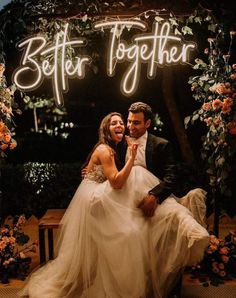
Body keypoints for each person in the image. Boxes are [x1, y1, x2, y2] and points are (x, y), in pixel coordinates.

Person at [19, 110, 209, 298]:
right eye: (115, 123)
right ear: (105, 128)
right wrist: (132, 160)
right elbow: (117, 182)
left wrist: (92, 171)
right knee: (136, 174)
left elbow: (97, 170)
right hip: (98, 199)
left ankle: (181, 222)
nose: (122, 126)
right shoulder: (107, 149)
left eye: (122, 122)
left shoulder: (119, 146)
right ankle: (182, 219)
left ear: (147, 124)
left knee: (135, 221)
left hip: (109, 194)